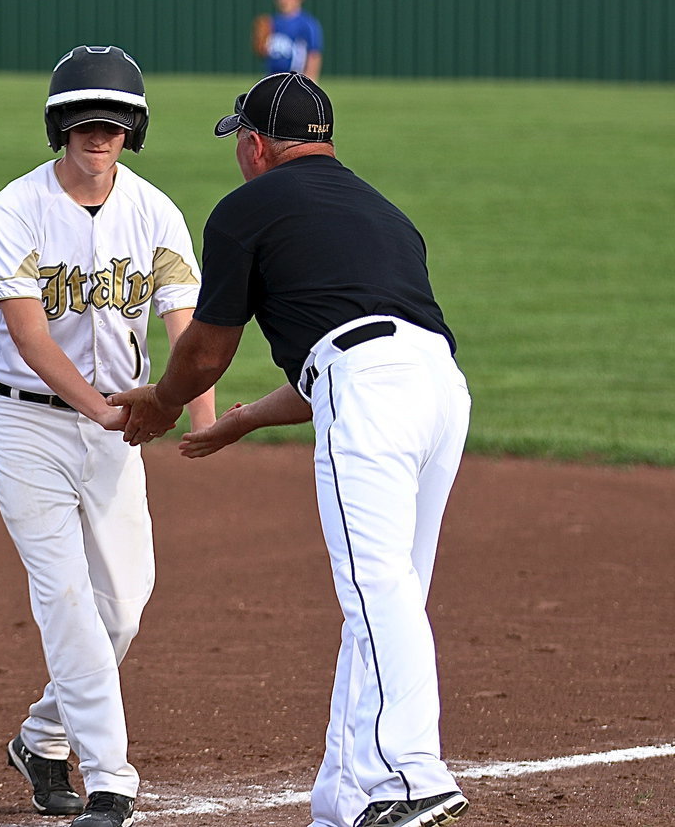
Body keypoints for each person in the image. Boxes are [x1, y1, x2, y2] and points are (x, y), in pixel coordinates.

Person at [109, 73, 472, 827]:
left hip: (370, 390)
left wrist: (165, 401)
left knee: (375, 590)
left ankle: (412, 776)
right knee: (388, 592)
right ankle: (343, 803)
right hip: (439, 392)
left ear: (254, 145)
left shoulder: (249, 207)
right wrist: (241, 421)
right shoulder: (384, 212)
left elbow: (206, 352)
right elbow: (351, 359)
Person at [0, 45, 215, 827]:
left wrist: (203, 415)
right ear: (59, 125)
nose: (99, 134)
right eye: (84, 120)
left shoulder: (156, 210)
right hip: (28, 427)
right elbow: (31, 338)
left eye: (114, 123)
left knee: (122, 607)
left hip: (122, 429)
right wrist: (109, 410)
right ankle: (112, 778)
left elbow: (187, 323)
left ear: (133, 131)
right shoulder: (11, 209)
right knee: (67, 599)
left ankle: (42, 738)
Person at [252, 0, 324, 80]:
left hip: (295, 79)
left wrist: (310, 80)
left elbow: (314, 55)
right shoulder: (271, 22)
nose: (285, 1)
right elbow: (267, 54)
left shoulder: (307, 23)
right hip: (272, 77)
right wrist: (261, 49)